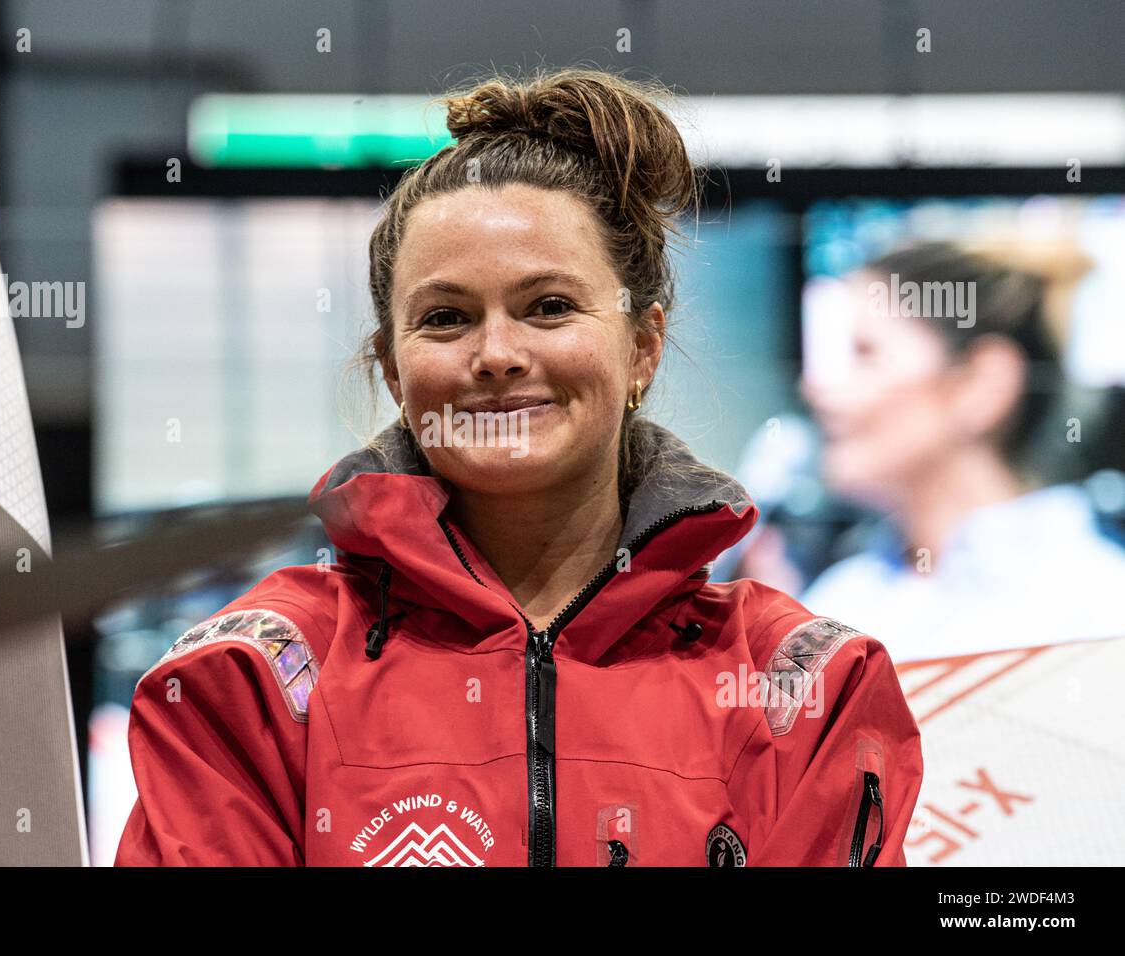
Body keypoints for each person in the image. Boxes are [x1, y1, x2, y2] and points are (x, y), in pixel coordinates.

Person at [114, 68, 922, 867]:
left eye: (549, 307)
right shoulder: (250, 679)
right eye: (446, 318)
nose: (497, 354)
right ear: (394, 371)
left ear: (642, 345)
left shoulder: (803, 687)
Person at [801, 240, 1125, 662]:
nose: (817, 387)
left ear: (981, 383)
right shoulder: (838, 599)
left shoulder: (1093, 604)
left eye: (865, 353)